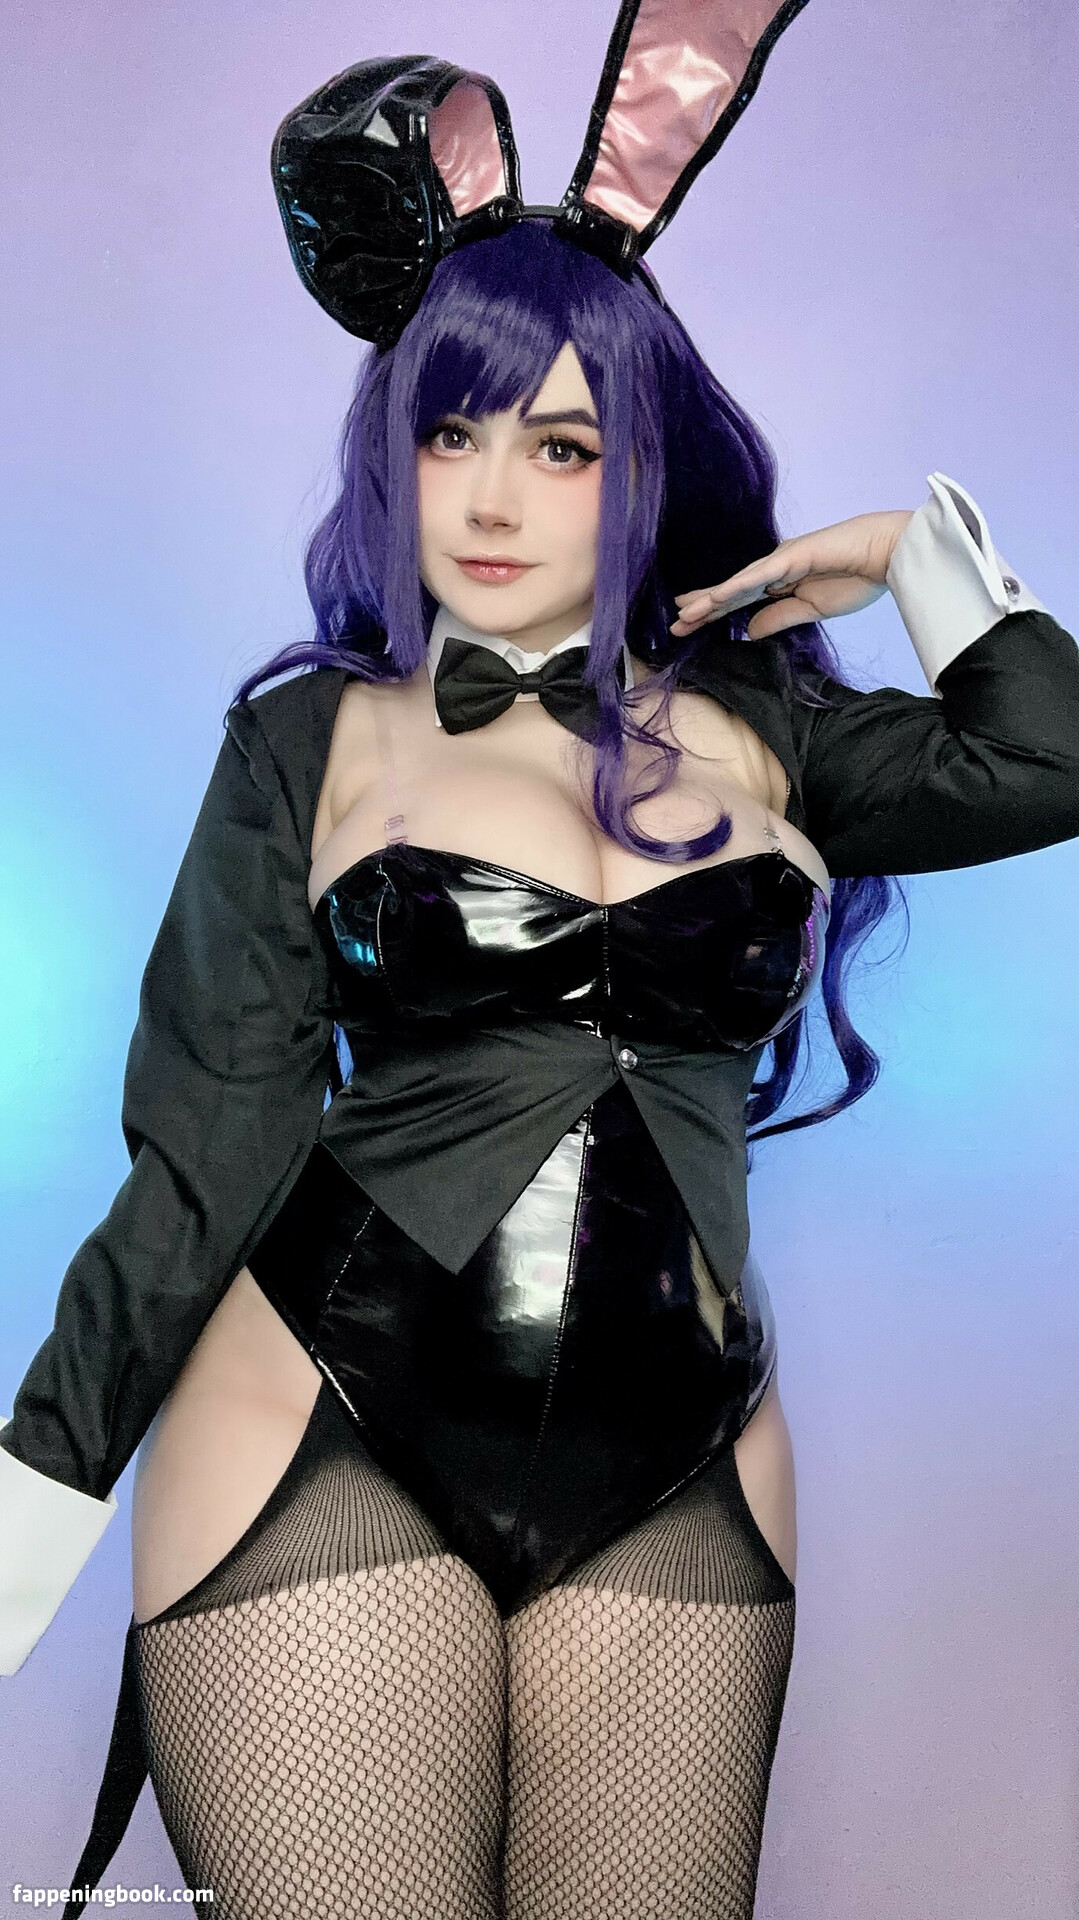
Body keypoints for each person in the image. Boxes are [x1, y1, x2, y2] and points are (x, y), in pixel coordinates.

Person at [2, 10, 1077, 1919]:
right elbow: (203, 1155)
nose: (491, 499)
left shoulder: (778, 731)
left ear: (644, 458)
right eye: (451, 432)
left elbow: (1048, 762)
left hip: (687, 1460)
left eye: (562, 444)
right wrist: (27, 1508)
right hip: (319, 1428)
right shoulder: (309, 742)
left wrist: (919, 562)